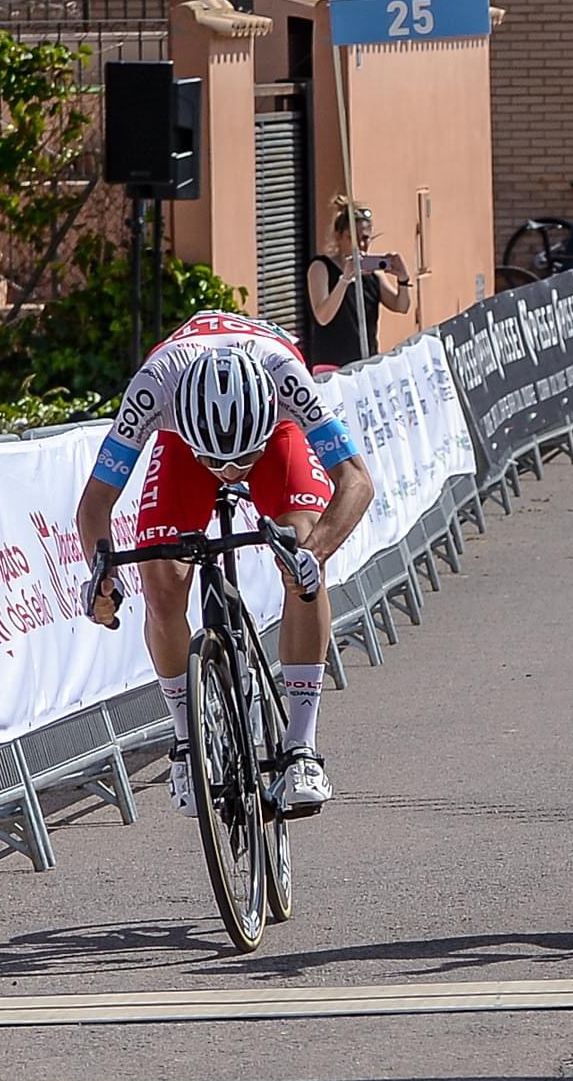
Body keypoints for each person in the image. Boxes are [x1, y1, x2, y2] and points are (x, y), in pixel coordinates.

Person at [75, 312, 375, 816]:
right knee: (162, 584)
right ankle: (186, 740)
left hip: (277, 432)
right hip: (182, 444)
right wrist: (102, 573)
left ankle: (302, 748)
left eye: (242, 460)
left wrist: (313, 554)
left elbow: (357, 481)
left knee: (301, 550)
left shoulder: (286, 379)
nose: (231, 473)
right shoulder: (155, 388)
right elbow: (95, 502)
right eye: (217, 463)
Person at [305, 197, 413, 373]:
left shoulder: (373, 275)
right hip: (332, 366)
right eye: (353, 238)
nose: (361, 245)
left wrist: (403, 279)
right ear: (338, 237)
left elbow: (401, 306)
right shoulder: (321, 268)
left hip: (366, 365)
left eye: (365, 238)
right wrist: (345, 279)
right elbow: (322, 316)